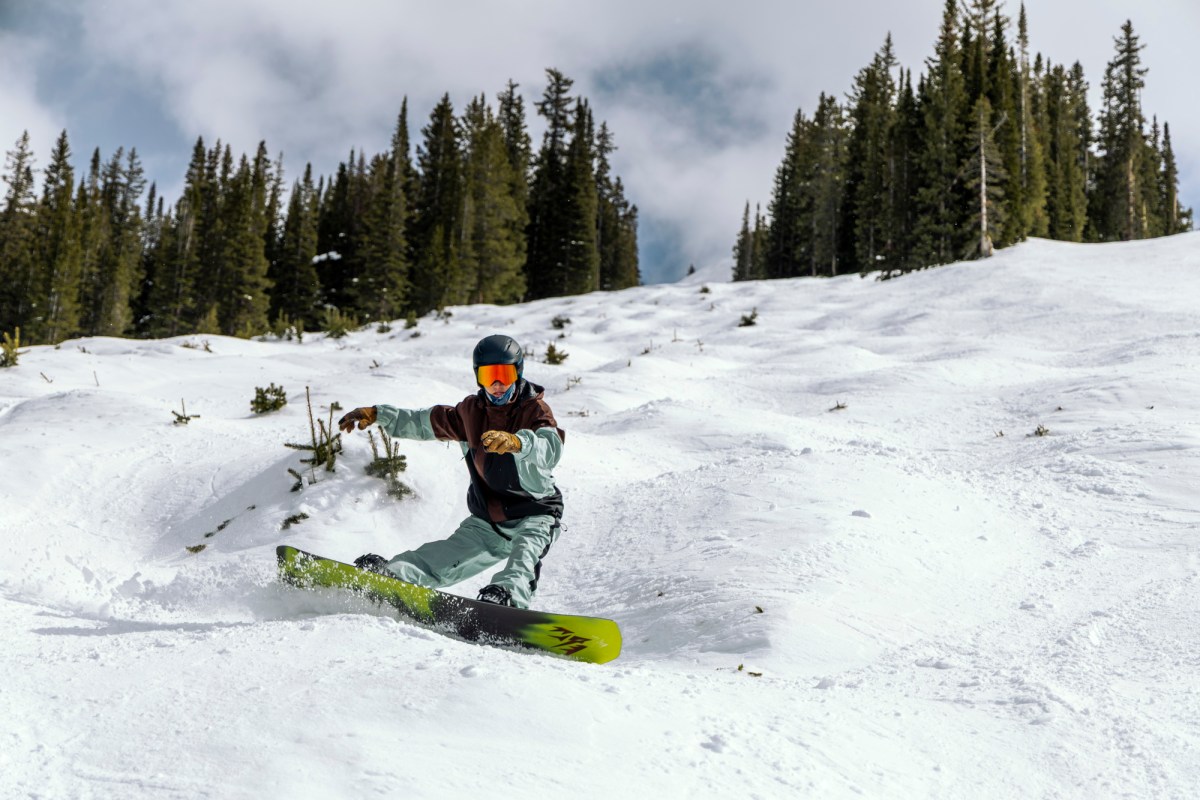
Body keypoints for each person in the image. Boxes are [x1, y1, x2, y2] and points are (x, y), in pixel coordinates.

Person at [336, 334, 565, 609]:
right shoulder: (470, 413)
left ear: (518, 372)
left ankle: (506, 598)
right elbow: (422, 421)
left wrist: (519, 442)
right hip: (488, 521)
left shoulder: (535, 409)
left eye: (504, 374)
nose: (497, 384)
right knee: (443, 556)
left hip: (535, 514)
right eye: (488, 375)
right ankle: (396, 576)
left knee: (525, 555)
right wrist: (379, 414)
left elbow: (550, 447)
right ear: (477, 377)